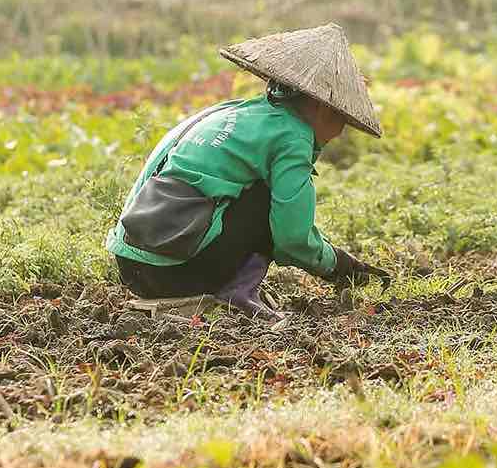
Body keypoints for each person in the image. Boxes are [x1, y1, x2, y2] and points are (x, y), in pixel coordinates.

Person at [107, 23, 388, 319]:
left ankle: (231, 284)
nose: (339, 133)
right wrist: (340, 265)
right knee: (265, 195)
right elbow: (292, 239)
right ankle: (237, 292)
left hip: (129, 264)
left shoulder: (231, 112)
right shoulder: (293, 136)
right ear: (322, 108)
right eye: (341, 120)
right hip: (175, 272)